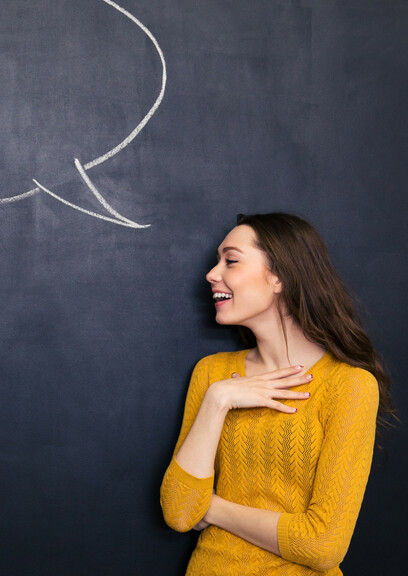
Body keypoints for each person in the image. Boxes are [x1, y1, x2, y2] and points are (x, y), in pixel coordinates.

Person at [160, 213, 393, 575]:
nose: (211, 273)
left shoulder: (347, 385)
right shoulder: (213, 374)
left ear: (279, 277)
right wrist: (218, 399)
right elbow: (178, 511)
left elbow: (323, 544)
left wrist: (213, 508)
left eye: (231, 261)